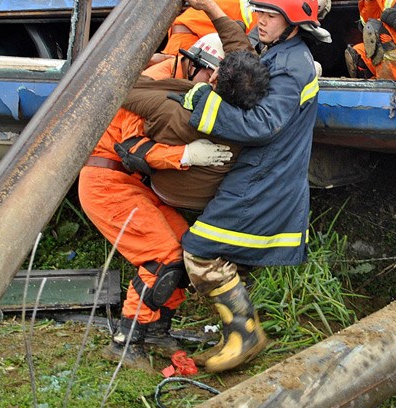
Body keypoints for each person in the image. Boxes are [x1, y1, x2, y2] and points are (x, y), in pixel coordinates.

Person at [79, 23, 269, 368]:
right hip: (108, 182)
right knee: (160, 256)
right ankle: (126, 342)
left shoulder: (183, 83)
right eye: (211, 76)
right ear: (195, 65)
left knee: (185, 250)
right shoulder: (151, 84)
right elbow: (132, 149)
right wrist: (186, 156)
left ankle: (156, 329)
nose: (214, 86)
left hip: (135, 184)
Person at [172, 0, 327, 373]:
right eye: (260, 12)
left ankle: (245, 335)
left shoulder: (291, 67)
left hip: (264, 179)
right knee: (219, 251)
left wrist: (202, 99)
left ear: (294, 23)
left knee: (200, 251)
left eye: (271, 16)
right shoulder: (278, 50)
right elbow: (243, 48)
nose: (261, 21)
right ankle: (237, 332)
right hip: (261, 173)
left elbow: (261, 125)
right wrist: (208, 5)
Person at [148, 0, 332, 65]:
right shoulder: (273, 13)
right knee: (172, 69)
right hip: (194, 34)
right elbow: (247, 54)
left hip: (190, 26)